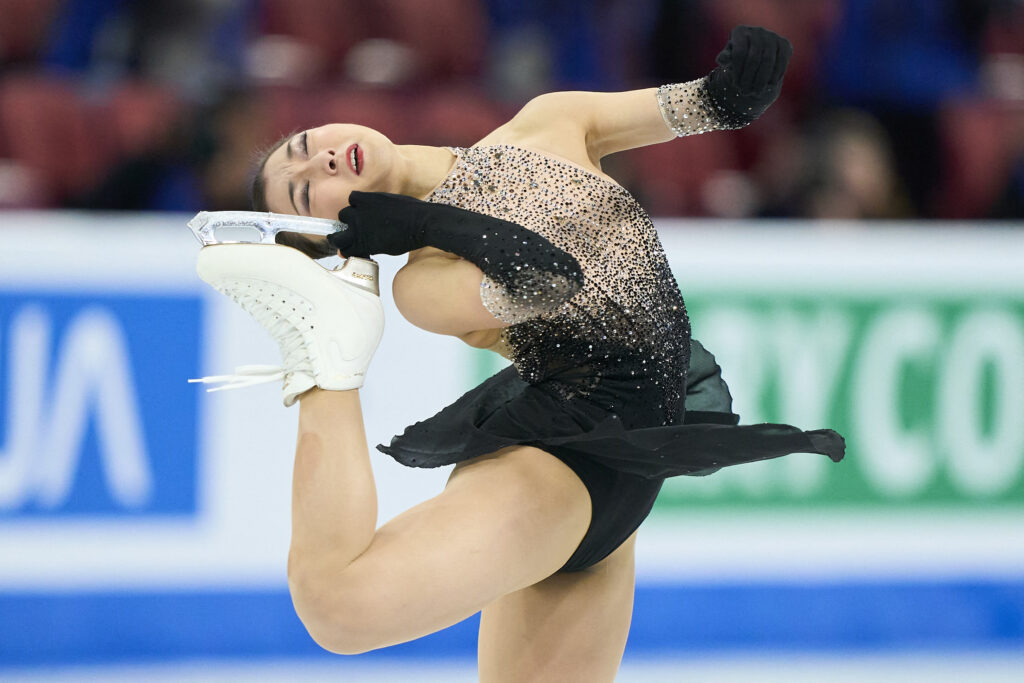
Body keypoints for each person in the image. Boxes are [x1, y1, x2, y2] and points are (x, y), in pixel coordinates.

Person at [194, 26, 844, 681]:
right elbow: (549, 279)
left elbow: (702, 105)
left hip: (628, 477)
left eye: (306, 145)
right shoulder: (423, 281)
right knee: (336, 605)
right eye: (305, 192)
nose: (321, 162)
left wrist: (739, 89)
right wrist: (421, 223)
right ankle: (319, 357)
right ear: (333, 237)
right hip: (556, 465)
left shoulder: (549, 119)